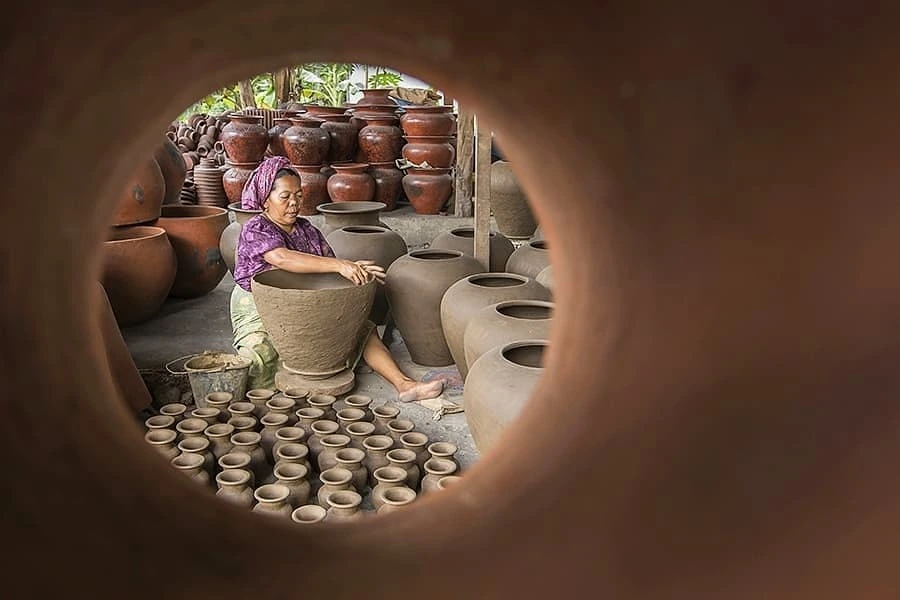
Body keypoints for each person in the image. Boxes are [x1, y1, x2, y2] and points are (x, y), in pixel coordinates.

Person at [230, 156, 444, 401]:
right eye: (285, 196)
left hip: (305, 301)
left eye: (299, 195)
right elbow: (281, 258)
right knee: (260, 356)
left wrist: (351, 268)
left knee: (361, 329)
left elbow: (327, 272)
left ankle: (405, 384)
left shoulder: (307, 230)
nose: (294, 203)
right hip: (258, 303)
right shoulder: (256, 228)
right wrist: (339, 265)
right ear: (266, 199)